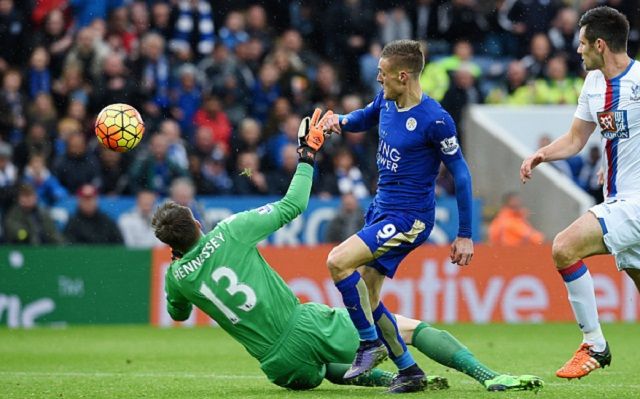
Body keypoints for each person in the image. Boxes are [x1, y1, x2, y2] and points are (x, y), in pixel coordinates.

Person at [153, 110, 543, 393]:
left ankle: (398, 377)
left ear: (171, 246)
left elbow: (179, 313)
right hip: (303, 326)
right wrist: (306, 158)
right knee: (408, 327)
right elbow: (293, 205)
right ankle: (488, 376)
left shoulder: (176, 277)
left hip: (278, 367)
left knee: (324, 368)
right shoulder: (231, 231)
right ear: (199, 224)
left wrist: (180, 267)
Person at [322, 39, 474, 392]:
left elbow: (461, 174)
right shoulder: (388, 102)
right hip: (381, 210)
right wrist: (338, 121)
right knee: (368, 296)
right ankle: (409, 370)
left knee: (337, 262)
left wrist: (464, 233)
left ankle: (370, 345)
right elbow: (362, 117)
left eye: (383, 74)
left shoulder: (435, 119)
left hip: (409, 218)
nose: (379, 79)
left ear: (403, 76)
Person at [520, 6, 637, 380]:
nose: (577, 50)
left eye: (583, 43)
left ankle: (595, 344)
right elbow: (575, 139)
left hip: (636, 202)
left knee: (564, 246)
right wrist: (542, 154)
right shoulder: (593, 84)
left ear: (601, 44)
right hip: (617, 200)